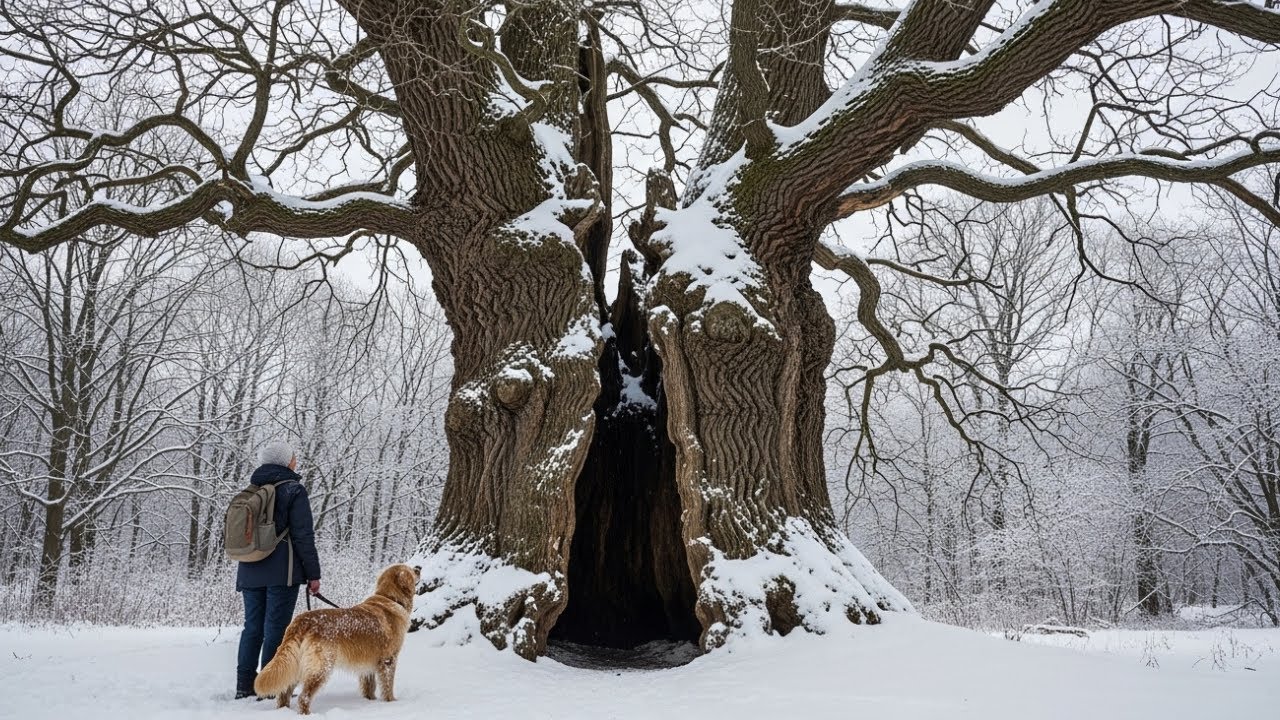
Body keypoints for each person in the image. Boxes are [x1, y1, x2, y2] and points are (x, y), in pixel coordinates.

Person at [234, 440, 322, 700]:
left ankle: (244, 686)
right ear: (285, 462)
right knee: (276, 628)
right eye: (293, 457)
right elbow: (303, 535)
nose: (296, 460)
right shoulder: (293, 490)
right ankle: (270, 687)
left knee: (252, 628)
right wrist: (313, 574)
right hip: (282, 571)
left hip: (249, 568)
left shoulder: (250, 490)